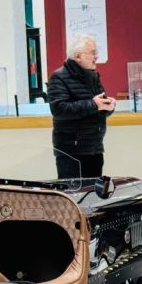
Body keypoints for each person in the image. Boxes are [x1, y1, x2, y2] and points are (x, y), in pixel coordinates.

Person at [47, 34, 115, 179]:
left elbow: (99, 106)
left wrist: (109, 106)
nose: (96, 56)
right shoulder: (58, 77)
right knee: (73, 192)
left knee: (93, 192)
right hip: (71, 152)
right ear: (78, 56)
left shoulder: (93, 76)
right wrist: (94, 104)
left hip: (94, 148)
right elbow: (59, 109)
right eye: (93, 52)